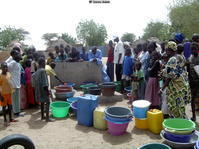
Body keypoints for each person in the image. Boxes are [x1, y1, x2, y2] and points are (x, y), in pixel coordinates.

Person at [160, 41, 191, 118]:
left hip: (176, 88)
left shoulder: (172, 59)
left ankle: (179, 126)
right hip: (183, 85)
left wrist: (162, 89)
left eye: (167, 49)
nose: (166, 51)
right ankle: (182, 125)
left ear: (170, 49)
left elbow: (169, 76)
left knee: (175, 108)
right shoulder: (181, 56)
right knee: (180, 107)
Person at [32, 58, 54, 122]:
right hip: (43, 90)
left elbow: (33, 84)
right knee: (48, 102)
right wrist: (48, 92)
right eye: (45, 62)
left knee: (42, 103)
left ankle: (42, 116)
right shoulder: (43, 71)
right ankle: (47, 118)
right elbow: (45, 83)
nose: (45, 64)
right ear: (42, 63)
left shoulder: (36, 72)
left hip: (38, 91)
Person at [0, 62, 17, 126]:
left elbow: (10, 82)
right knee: (4, 107)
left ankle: (10, 118)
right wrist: (0, 96)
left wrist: (12, 90)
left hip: (9, 93)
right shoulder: (0, 76)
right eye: (4, 67)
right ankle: (5, 120)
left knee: (10, 106)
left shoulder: (9, 74)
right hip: (3, 94)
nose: (5, 68)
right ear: (1, 68)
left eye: (6, 67)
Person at [6, 49, 22, 116]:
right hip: (14, 84)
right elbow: (5, 65)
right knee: (15, 99)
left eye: (18, 53)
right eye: (17, 54)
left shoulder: (17, 63)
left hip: (16, 84)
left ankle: (17, 111)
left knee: (16, 99)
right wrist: (10, 58)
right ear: (13, 56)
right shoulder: (13, 63)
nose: (19, 55)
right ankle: (16, 112)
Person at [188, 42, 199, 121]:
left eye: (194, 48)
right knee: (192, 98)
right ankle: (194, 116)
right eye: (192, 49)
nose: (193, 50)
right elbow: (188, 70)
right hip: (193, 82)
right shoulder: (190, 58)